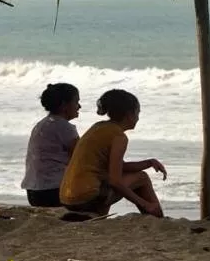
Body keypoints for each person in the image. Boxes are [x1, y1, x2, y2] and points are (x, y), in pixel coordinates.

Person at [59, 89, 166, 217]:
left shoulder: (98, 127)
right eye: (138, 113)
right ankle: (156, 216)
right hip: (86, 198)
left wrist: (149, 162)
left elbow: (119, 167)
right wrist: (144, 203)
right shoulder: (119, 136)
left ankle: (99, 215)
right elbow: (115, 181)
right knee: (142, 177)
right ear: (129, 114)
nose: (138, 117)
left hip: (67, 197)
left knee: (105, 178)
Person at [21, 83, 81, 207]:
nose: (79, 106)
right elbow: (82, 157)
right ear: (64, 105)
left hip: (34, 191)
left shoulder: (42, 124)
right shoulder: (63, 127)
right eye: (76, 102)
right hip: (53, 192)